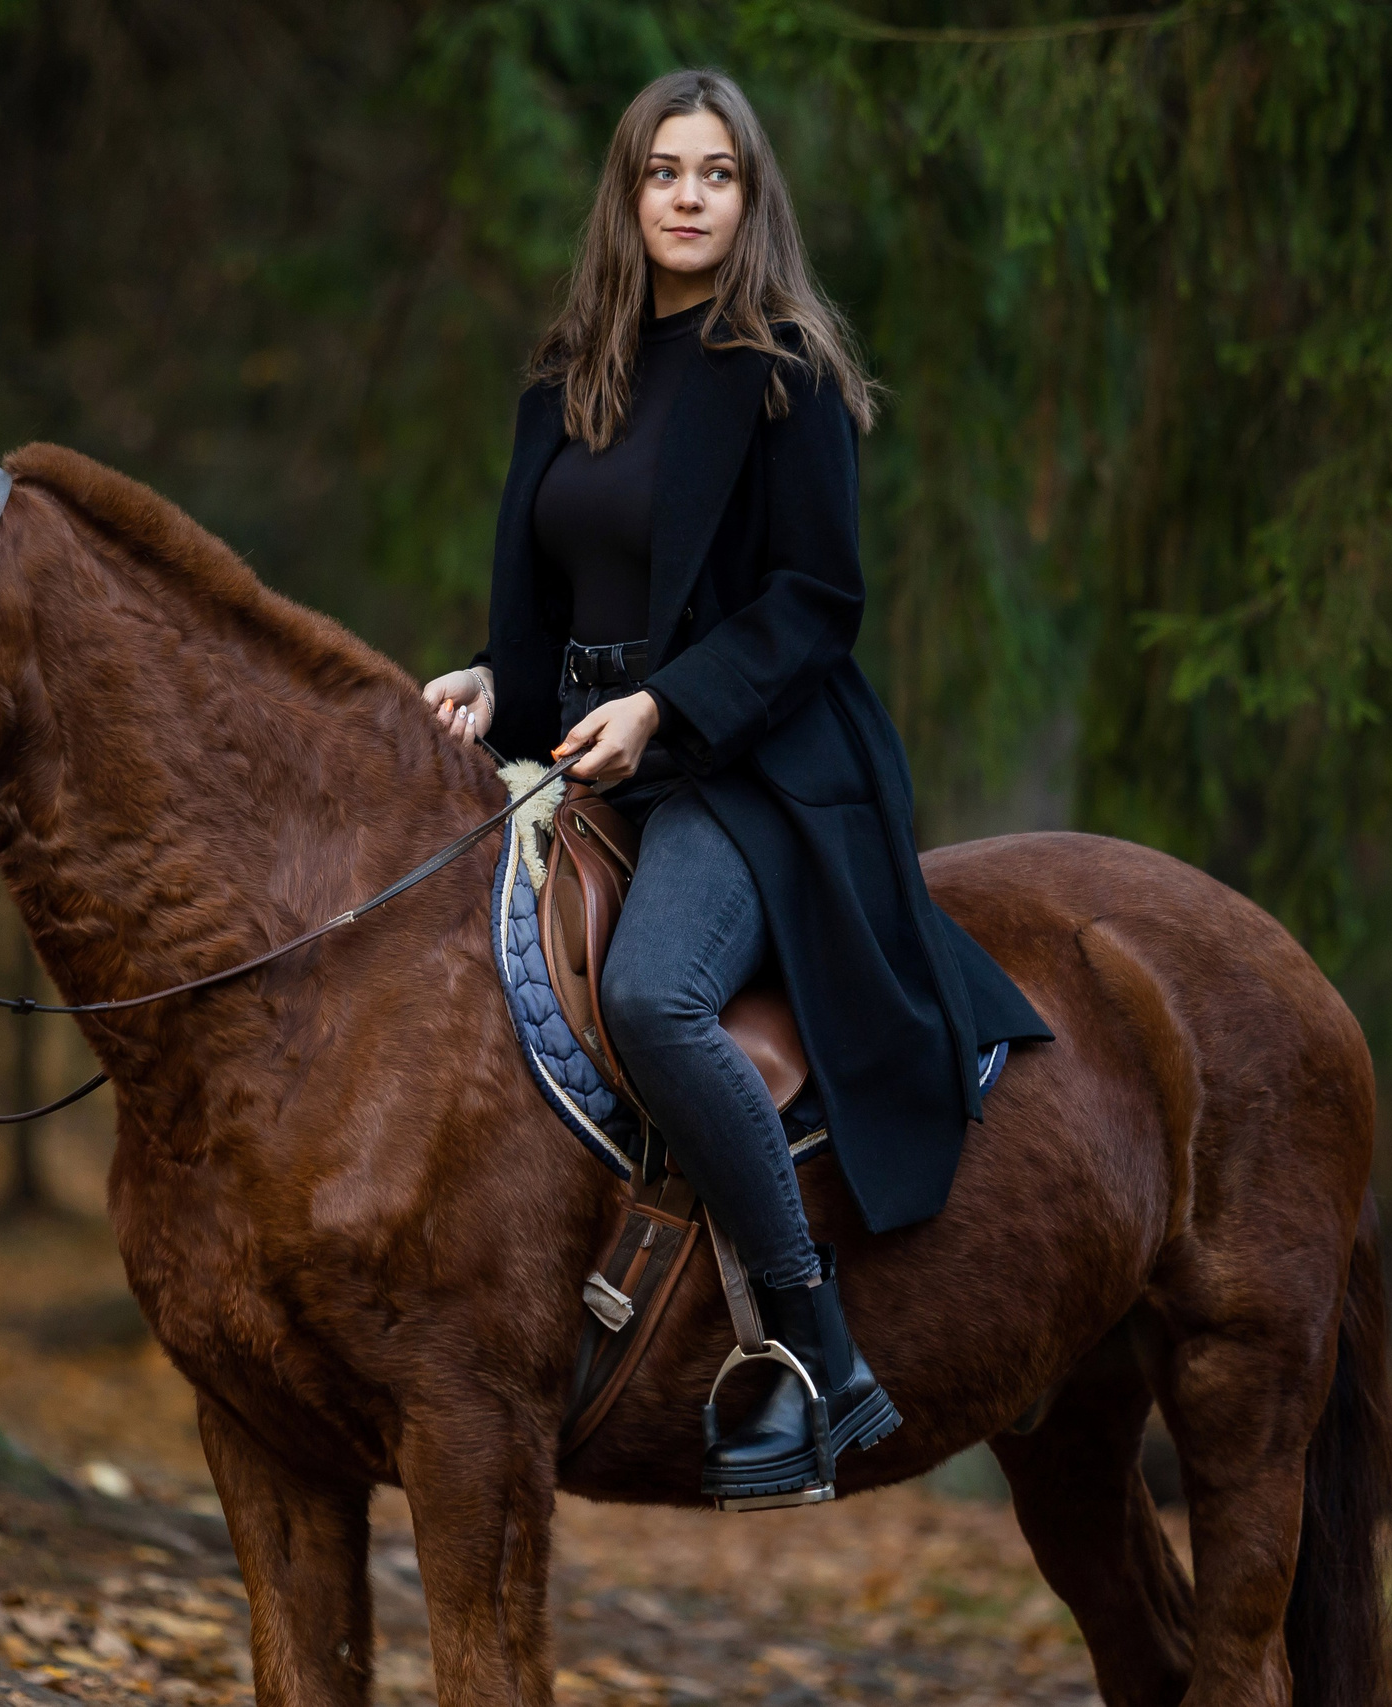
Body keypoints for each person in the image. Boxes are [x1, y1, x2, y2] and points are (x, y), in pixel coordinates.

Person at [422, 68, 1050, 1508]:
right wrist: (485, 683)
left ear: (750, 199)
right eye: (663, 173)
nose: (689, 197)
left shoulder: (786, 374)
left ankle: (812, 1347)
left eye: (716, 174)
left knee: (653, 996)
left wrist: (666, 704)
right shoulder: (566, 378)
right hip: (585, 762)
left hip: (754, 765)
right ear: (628, 196)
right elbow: (543, 608)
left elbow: (816, 601)